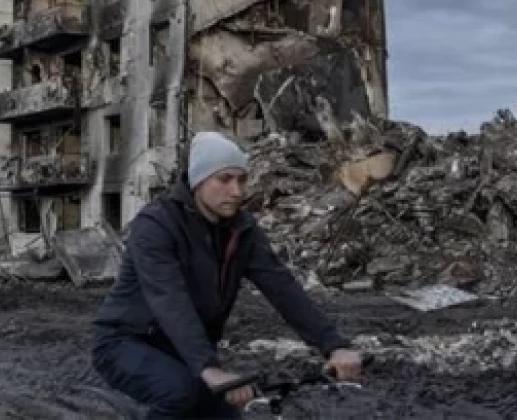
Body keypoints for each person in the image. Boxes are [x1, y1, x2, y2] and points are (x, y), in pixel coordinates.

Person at [92, 131, 362, 418]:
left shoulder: (242, 230)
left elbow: (282, 288)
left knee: (227, 414)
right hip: (126, 343)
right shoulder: (157, 225)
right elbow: (169, 300)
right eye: (224, 179)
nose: (236, 191)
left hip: (185, 350)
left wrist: (333, 345)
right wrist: (208, 367)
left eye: (241, 180)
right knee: (178, 392)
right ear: (198, 180)